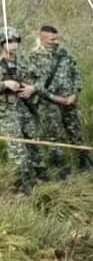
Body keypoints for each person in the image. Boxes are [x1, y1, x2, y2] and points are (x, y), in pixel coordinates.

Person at [28, 24, 93, 174]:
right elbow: (35, 85)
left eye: (57, 39)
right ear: (42, 38)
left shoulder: (64, 54)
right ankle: (62, 169)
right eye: (52, 40)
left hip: (69, 102)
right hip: (49, 105)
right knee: (54, 137)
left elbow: (76, 73)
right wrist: (56, 98)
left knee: (76, 132)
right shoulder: (33, 57)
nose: (55, 42)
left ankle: (87, 164)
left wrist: (75, 93)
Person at [0, 26, 44, 193]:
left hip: (25, 108)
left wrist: (32, 88)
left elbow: (41, 80)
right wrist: (4, 84)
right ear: (2, 43)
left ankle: (40, 177)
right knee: (17, 148)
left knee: (33, 142)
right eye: (9, 41)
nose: (14, 45)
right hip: (6, 112)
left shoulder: (24, 61)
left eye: (16, 41)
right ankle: (22, 184)